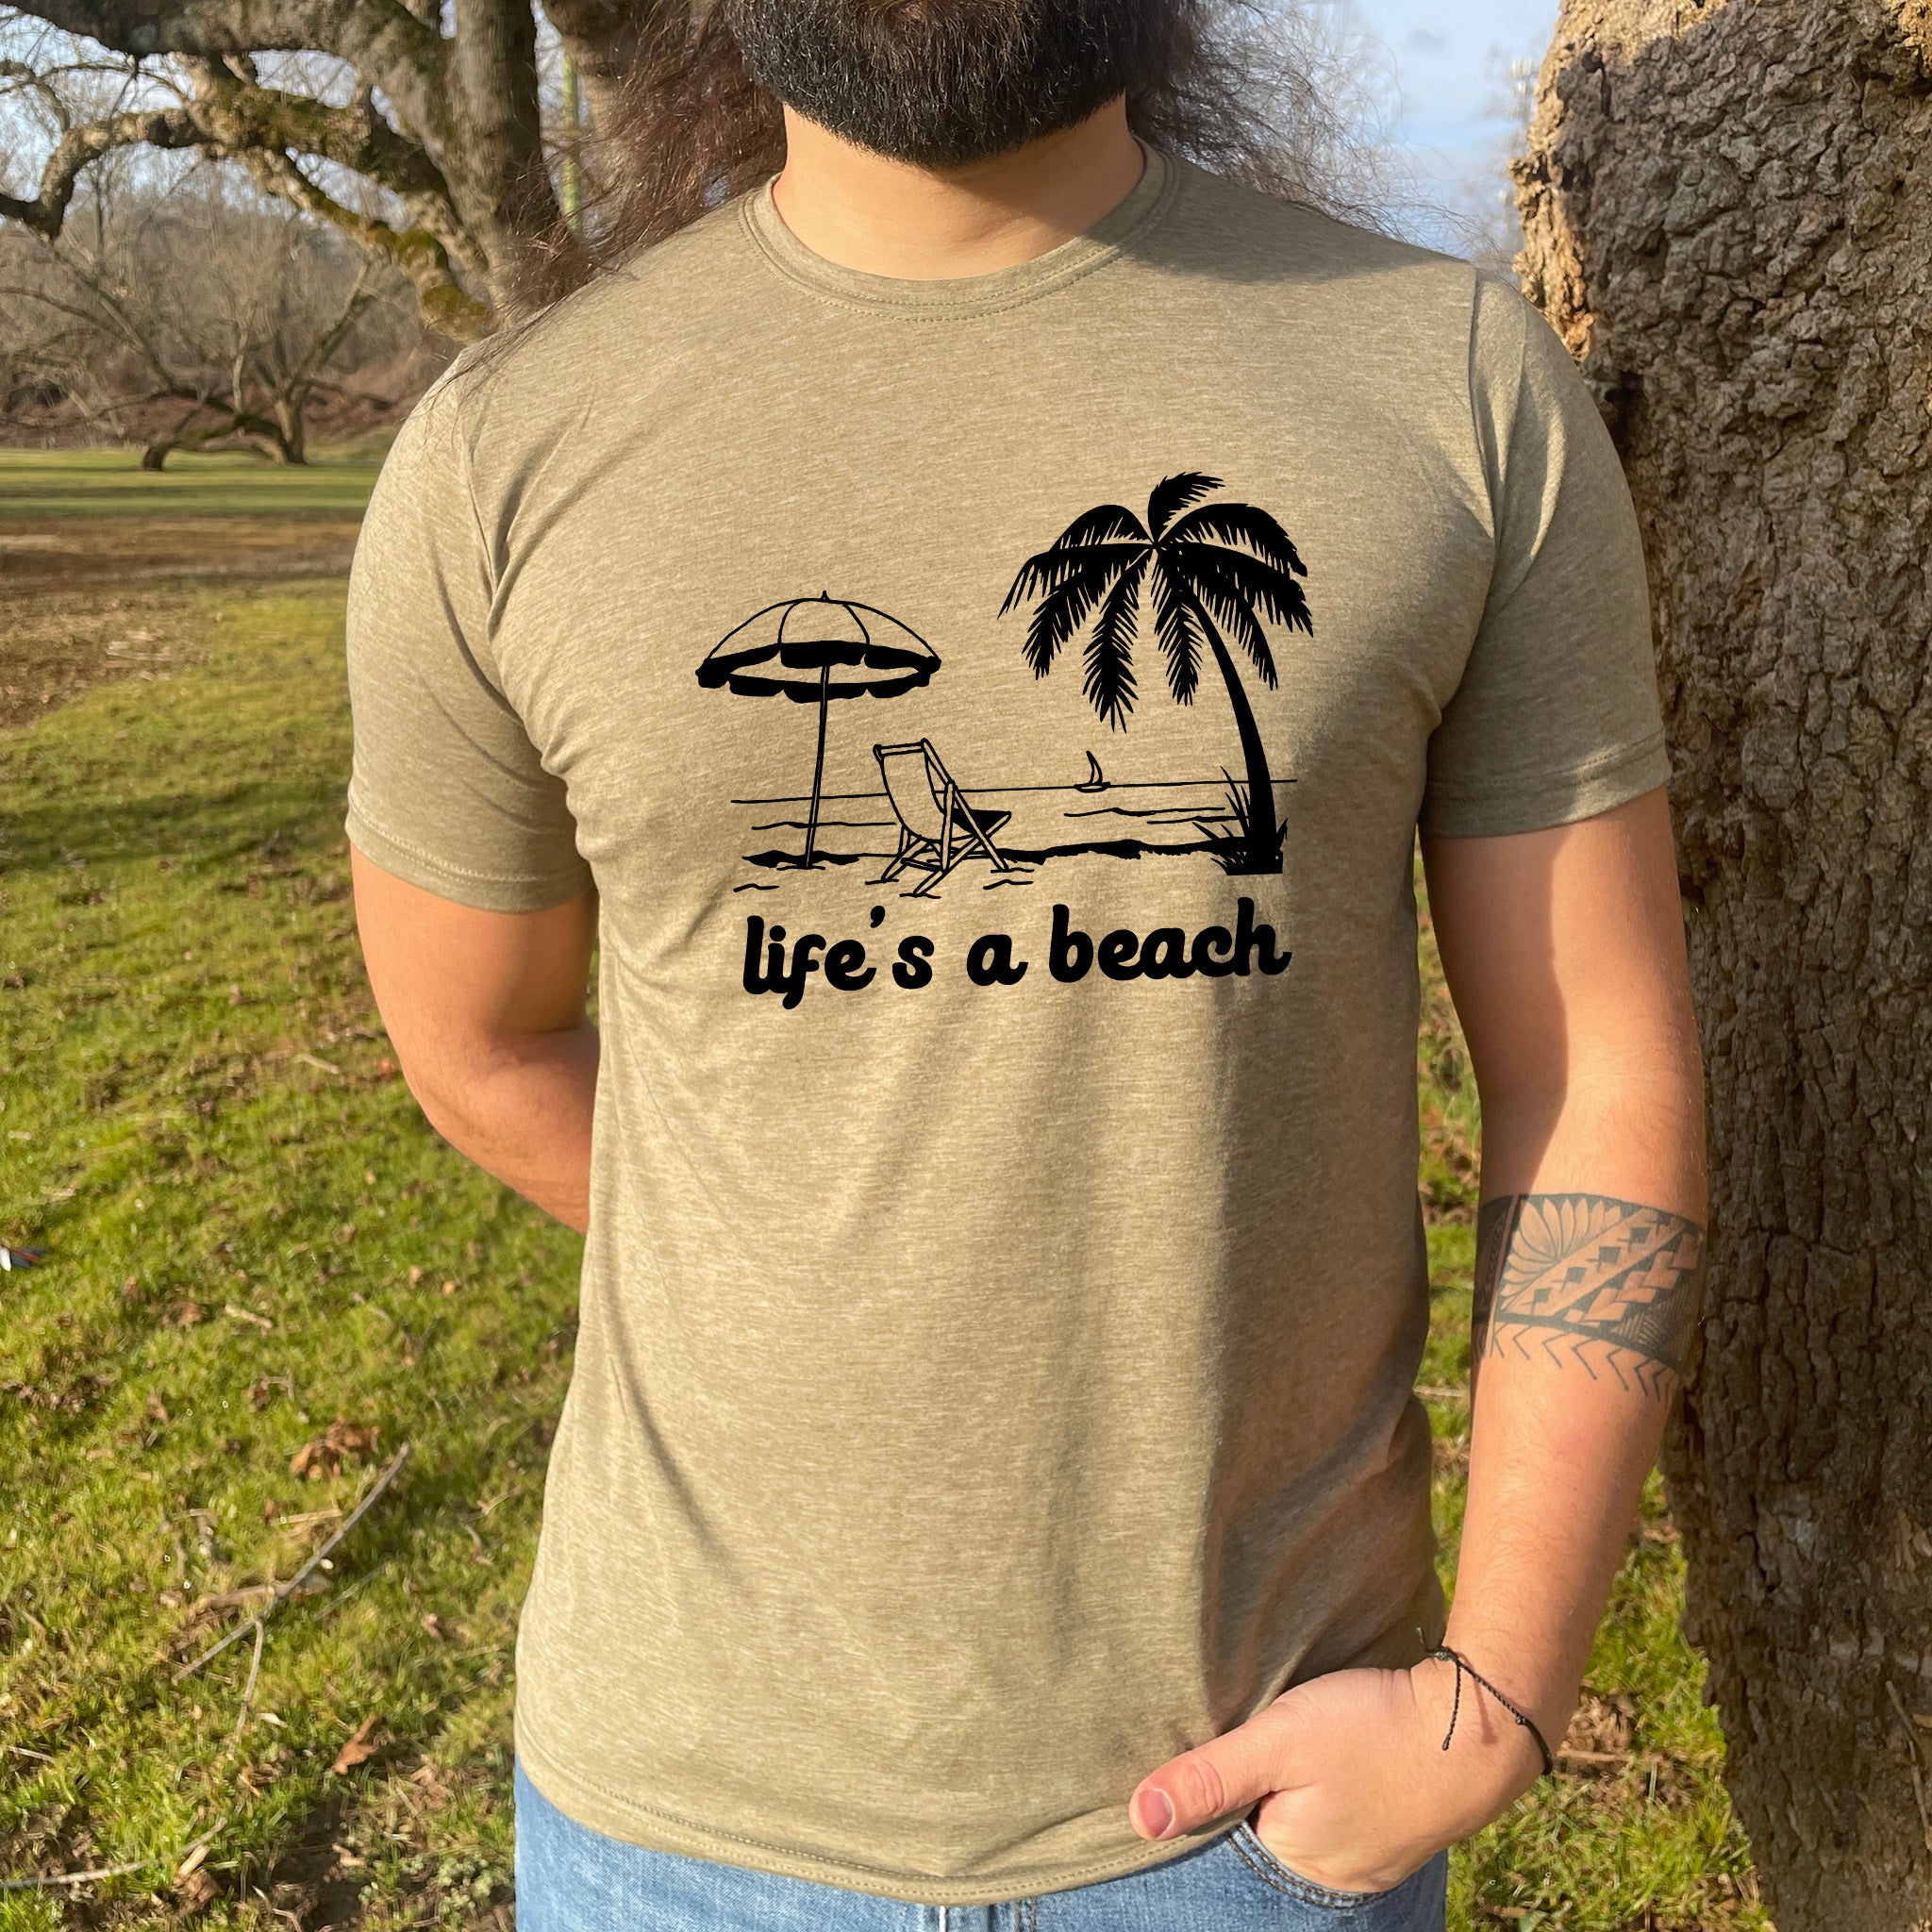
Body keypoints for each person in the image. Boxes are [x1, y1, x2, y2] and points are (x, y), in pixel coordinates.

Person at [346, 1, 1707, 1925]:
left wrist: (1491, 1701)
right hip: (677, 1828)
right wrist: (831, 1271)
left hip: (1247, 1825)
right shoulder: (505, 456)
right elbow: (476, 1045)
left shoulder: (1445, 380)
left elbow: (1594, 1072)